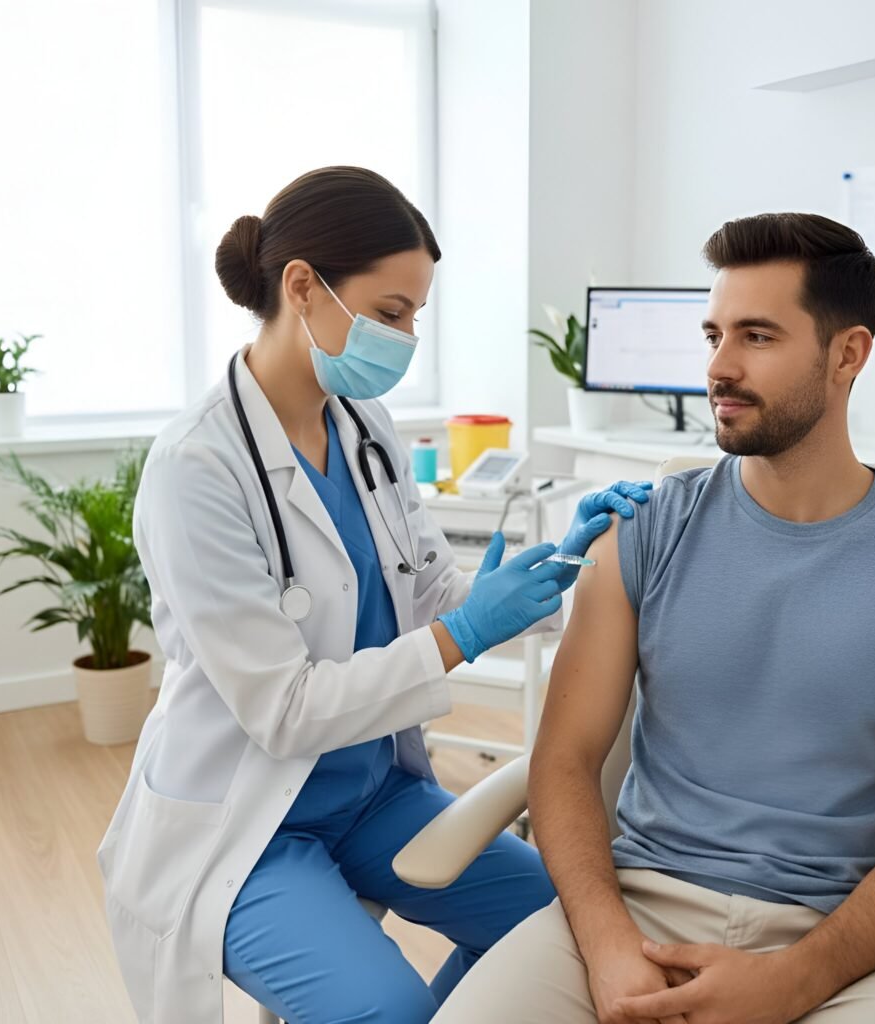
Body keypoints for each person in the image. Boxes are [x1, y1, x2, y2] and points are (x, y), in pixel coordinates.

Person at [96, 165, 651, 1024]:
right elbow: (282, 711)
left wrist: (548, 570)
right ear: (302, 287)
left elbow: (424, 592)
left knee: (567, 924)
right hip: (248, 824)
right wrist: (465, 629)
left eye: (415, 316)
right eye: (391, 313)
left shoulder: (364, 428)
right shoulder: (195, 468)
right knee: (387, 1009)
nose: (406, 336)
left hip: (370, 792)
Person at [431, 212, 875, 1024]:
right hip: (638, 912)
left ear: (848, 354)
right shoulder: (643, 527)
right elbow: (566, 759)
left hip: (855, 947)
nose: (718, 367)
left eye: (757, 336)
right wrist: (609, 948)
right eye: (713, 334)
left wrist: (794, 980)